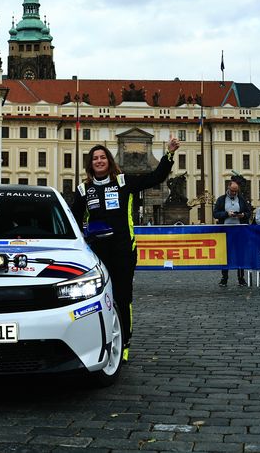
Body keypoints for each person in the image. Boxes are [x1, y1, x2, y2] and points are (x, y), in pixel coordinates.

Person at [71, 138, 179, 362]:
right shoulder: (83, 190)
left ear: (109, 161)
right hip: (96, 255)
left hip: (123, 251)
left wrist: (169, 154)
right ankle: (97, 341)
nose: (99, 161)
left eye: (102, 157)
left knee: (122, 297)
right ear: (90, 164)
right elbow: (72, 219)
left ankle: (125, 343)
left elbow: (156, 177)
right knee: (95, 299)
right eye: (95, 159)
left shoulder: (123, 182)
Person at [212, 179, 252, 287]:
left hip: (239, 230)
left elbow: (249, 213)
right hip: (225, 230)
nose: (234, 193)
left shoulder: (242, 199)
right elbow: (215, 214)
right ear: (228, 188)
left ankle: (241, 278)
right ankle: (224, 278)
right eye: (232, 190)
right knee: (225, 255)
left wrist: (243, 215)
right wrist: (226, 214)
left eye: (236, 191)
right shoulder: (221, 199)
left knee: (240, 254)